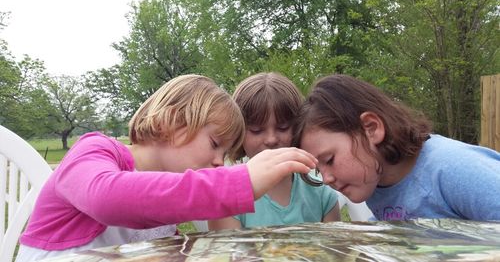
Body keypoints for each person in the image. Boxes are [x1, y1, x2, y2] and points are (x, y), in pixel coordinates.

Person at [16, 74, 318, 261]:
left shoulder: (164, 218)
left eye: (225, 153)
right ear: (172, 120)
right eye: (215, 143)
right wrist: (239, 182)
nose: (218, 161)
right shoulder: (95, 151)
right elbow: (109, 199)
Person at [294, 74, 500, 221]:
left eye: (329, 159)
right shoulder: (376, 184)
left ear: (371, 128)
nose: (326, 179)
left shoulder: (454, 170)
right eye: (319, 170)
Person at [209, 72, 340, 231]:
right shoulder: (226, 197)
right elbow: (228, 253)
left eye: (283, 128)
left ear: (299, 127)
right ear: (239, 133)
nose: (271, 139)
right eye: (256, 130)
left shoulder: (322, 194)